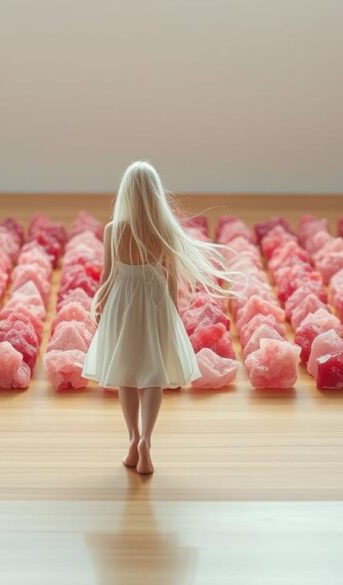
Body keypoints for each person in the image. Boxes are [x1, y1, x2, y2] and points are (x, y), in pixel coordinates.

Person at [82, 161, 238, 474]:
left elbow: (108, 276)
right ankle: (147, 442)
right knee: (152, 374)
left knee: (126, 373)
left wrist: (99, 306)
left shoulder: (114, 230)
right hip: (154, 304)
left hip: (122, 304)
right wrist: (173, 312)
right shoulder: (163, 231)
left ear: (126, 192)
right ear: (155, 194)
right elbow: (171, 276)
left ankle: (132, 438)